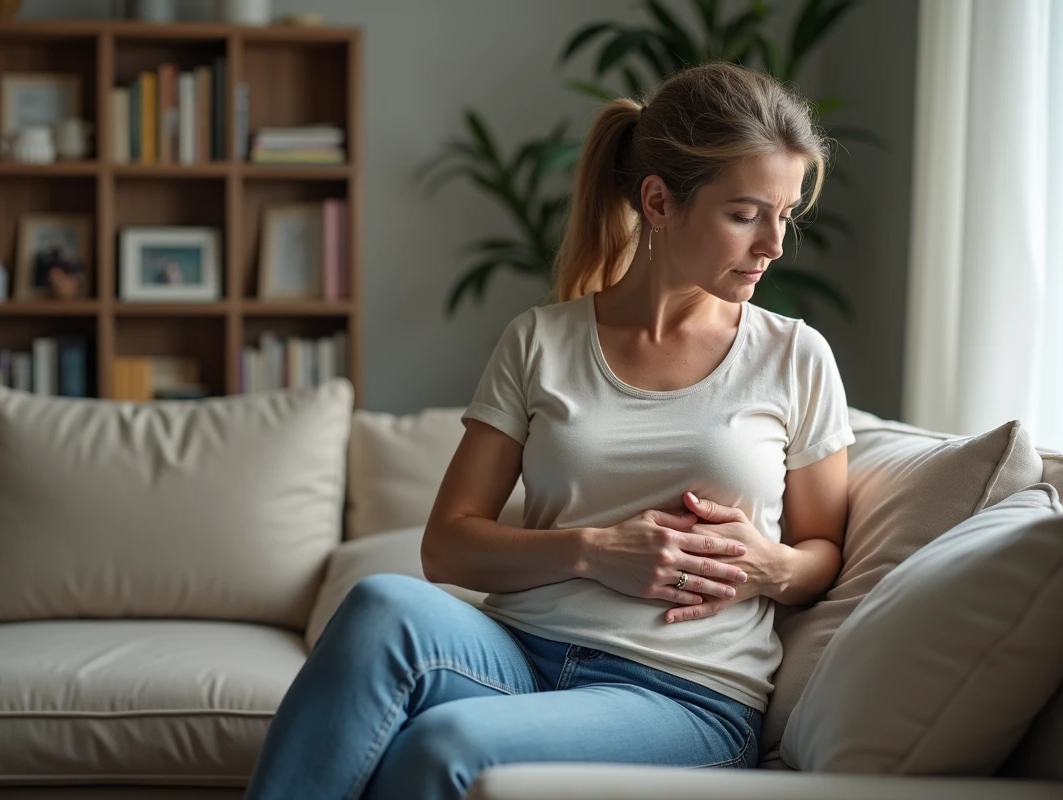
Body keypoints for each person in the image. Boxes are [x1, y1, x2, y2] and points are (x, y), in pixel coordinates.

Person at [246, 61, 854, 800]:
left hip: (683, 693)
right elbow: (447, 546)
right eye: (746, 214)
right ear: (659, 201)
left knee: (447, 745)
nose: (774, 244)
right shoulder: (539, 341)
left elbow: (823, 550)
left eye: (785, 214)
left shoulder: (794, 356)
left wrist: (770, 566)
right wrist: (596, 552)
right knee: (380, 606)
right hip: (518, 650)